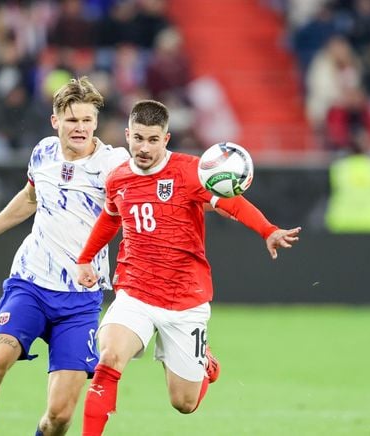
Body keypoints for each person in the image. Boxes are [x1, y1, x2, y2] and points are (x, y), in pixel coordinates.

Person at [75, 100, 302, 435]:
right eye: (138, 138)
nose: (144, 147)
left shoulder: (190, 172)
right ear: (127, 135)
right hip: (135, 293)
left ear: (166, 139)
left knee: (184, 403)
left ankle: (205, 362)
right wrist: (84, 258)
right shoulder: (118, 179)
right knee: (107, 357)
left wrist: (268, 230)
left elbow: (233, 204)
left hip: (185, 301)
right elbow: (110, 219)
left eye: (153, 140)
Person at [0, 76, 130, 436]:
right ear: (55, 122)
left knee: (60, 416)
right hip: (30, 284)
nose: (79, 127)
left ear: (96, 122)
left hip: (80, 300)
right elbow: (30, 199)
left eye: (86, 120)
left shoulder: (114, 165)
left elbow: (135, 214)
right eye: (71, 120)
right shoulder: (43, 152)